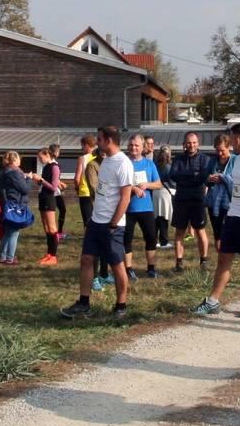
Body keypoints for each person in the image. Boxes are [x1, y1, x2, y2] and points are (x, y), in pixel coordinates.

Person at [59, 126, 138, 321]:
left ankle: (121, 306)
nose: (97, 143)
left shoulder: (123, 163)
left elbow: (125, 198)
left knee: (116, 264)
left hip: (113, 225)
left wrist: (113, 223)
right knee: (86, 259)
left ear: (109, 140)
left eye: (100, 140)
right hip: (95, 221)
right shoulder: (105, 161)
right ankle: (84, 303)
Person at [192, 122, 240, 319]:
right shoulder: (237, 160)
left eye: (231, 138)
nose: (230, 142)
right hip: (233, 214)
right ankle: (213, 302)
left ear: (238, 139)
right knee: (224, 258)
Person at [166, 132, 215, 273]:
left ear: (198, 143)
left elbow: (202, 178)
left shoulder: (205, 159)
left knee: (200, 231)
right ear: (184, 144)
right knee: (179, 232)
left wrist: (186, 177)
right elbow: (173, 175)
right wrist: (193, 174)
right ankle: (179, 263)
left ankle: (203, 261)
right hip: (181, 200)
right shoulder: (178, 159)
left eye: (194, 142)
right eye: (188, 142)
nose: (191, 145)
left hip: (198, 200)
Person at [120, 135, 163, 280]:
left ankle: (151, 268)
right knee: (126, 239)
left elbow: (158, 184)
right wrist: (132, 188)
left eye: (137, 145)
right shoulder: (124, 163)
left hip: (146, 208)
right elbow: (118, 183)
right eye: (131, 145)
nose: (133, 148)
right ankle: (128, 269)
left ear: (143, 147)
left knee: (151, 237)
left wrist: (147, 185)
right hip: (127, 208)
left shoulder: (149, 164)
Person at [0, 151, 30, 265]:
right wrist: (28, 179)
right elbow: (24, 189)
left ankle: (2, 257)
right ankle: (10, 258)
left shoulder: (3, 171)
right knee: (14, 232)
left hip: (5, 203)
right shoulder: (15, 173)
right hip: (14, 204)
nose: (20, 160)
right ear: (14, 160)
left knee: (7, 232)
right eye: (19, 158)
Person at [34, 147, 63, 266]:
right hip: (42, 197)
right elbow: (44, 184)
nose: (39, 160)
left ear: (47, 155)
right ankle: (49, 253)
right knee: (46, 227)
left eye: (41, 157)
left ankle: (54, 255)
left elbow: (53, 187)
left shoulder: (54, 167)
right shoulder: (45, 167)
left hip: (49, 199)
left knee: (52, 228)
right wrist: (38, 181)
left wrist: (41, 180)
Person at [204, 134, 233, 231]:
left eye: (222, 150)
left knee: (229, 232)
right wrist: (209, 179)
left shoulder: (235, 161)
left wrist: (223, 179)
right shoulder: (212, 161)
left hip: (229, 203)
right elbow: (205, 179)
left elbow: (238, 181)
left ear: (228, 147)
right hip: (214, 202)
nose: (219, 153)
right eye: (217, 150)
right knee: (217, 232)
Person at [153, 146, 175, 249]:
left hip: (155, 192)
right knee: (163, 219)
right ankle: (164, 241)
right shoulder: (168, 167)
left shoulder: (155, 165)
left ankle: (154, 240)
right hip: (165, 193)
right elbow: (172, 182)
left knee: (156, 218)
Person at [74, 134, 97, 226]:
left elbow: (77, 178)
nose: (82, 148)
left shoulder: (82, 158)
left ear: (87, 145)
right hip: (98, 192)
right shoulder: (99, 158)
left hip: (85, 191)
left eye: (82, 146)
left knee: (87, 220)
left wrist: (77, 188)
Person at [49, 143, 69, 239]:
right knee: (59, 211)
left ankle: (57, 232)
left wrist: (60, 184)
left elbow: (54, 178)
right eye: (59, 151)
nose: (59, 153)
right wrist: (60, 184)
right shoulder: (53, 164)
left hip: (55, 191)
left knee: (62, 210)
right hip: (53, 192)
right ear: (56, 152)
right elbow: (52, 179)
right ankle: (56, 233)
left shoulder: (52, 163)